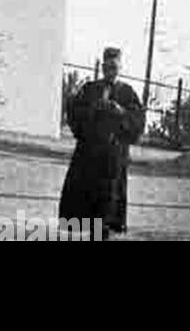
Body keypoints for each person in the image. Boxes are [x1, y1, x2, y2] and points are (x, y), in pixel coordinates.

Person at [59, 46, 146, 240]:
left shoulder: (128, 93)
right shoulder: (90, 89)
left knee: (109, 193)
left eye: (114, 66)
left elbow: (138, 121)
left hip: (114, 154)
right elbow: (74, 112)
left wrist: (120, 112)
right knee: (88, 192)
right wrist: (92, 110)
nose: (110, 71)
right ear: (102, 67)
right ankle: (91, 230)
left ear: (120, 67)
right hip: (90, 152)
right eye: (106, 66)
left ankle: (104, 231)